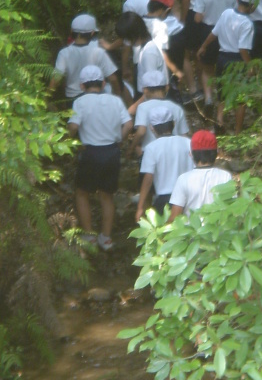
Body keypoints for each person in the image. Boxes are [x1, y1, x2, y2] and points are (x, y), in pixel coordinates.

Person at [67, 65, 131, 250]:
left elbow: (73, 128)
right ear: (103, 83)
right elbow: (128, 123)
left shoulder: (80, 103)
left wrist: (66, 141)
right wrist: (119, 139)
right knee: (107, 196)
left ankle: (89, 235)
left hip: (91, 153)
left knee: (81, 192)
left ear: (81, 86)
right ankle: (106, 237)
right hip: (112, 152)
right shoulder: (115, 101)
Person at [197, 0, 257, 134]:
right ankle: (237, 130)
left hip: (222, 58)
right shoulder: (247, 23)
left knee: (223, 93)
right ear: (252, 5)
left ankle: (219, 122)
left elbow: (214, 33)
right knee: (240, 98)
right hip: (237, 61)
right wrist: (250, 65)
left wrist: (203, 46)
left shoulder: (226, 13)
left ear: (237, 0)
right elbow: (243, 49)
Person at [192, 0, 237, 106]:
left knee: (207, 67)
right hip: (228, 31)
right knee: (226, 67)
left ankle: (209, 97)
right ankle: (225, 98)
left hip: (208, 32)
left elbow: (197, 18)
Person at [169, 0, 211, 101]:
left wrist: (183, 19)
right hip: (206, 13)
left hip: (193, 14)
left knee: (185, 53)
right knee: (200, 51)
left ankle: (194, 90)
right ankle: (202, 85)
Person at [136, 105, 193, 220]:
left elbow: (148, 177)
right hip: (189, 196)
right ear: (174, 123)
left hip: (165, 199)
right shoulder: (188, 143)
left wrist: (140, 206)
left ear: (152, 127)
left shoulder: (151, 148)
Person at [49, 14, 120, 104]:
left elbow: (56, 79)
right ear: (92, 33)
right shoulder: (98, 52)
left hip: (73, 101)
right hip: (95, 99)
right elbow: (113, 79)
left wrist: (47, 98)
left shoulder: (64, 53)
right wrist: (117, 96)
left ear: (71, 31)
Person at [168, 130, 232, 221]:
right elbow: (231, 208)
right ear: (216, 153)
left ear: (191, 154)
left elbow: (175, 216)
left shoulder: (184, 179)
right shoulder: (226, 176)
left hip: (191, 233)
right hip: (219, 233)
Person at [115, 12, 168, 105]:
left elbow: (153, 89)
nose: (126, 42)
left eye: (126, 38)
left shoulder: (149, 53)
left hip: (150, 101)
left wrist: (132, 109)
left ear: (134, 35)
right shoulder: (146, 47)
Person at [132, 70, 190, 156]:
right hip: (175, 152)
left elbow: (141, 132)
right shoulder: (176, 108)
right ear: (167, 87)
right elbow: (184, 135)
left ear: (145, 90)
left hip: (151, 153)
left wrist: (132, 147)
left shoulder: (143, 107)